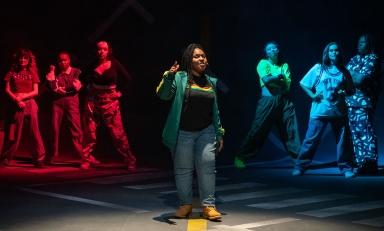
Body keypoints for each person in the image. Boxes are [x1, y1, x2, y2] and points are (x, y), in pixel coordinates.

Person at [156, 43, 224, 220]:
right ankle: (185, 205)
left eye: (203, 56)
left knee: (208, 168)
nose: (201, 59)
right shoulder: (179, 78)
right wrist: (169, 76)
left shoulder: (211, 82)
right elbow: (163, 95)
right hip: (183, 132)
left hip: (206, 131)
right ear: (189, 60)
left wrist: (219, 133)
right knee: (183, 169)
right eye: (196, 56)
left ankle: (209, 206)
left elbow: (215, 111)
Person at [293, 42, 356, 178]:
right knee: (310, 140)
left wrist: (344, 92)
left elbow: (351, 89)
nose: (334, 52)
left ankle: (346, 168)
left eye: (336, 50)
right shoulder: (318, 68)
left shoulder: (344, 71)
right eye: (331, 50)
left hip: (339, 111)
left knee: (343, 142)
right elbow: (303, 83)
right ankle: (300, 167)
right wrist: (313, 95)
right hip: (320, 111)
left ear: (340, 53)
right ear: (327, 53)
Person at [234, 41, 301, 169]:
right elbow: (266, 80)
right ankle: (240, 156)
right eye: (269, 48)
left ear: (278, 50)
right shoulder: (263, 63)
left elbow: (286, 86)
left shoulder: (284, 65)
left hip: (285, 101)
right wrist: (278, 78)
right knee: (258, 129)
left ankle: (298, 159)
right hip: (268, 101)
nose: (273, 49)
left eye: (275, 47)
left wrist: (274, 79)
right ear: (266, 52)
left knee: (290, 129)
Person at [79, 41, 136, 171]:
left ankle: (130, 159)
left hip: (110, 102)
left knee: (118, 133)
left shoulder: (115, 64)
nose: (101, 52)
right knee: (89, 131)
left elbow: (128, 79)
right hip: (93, 101)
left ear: (108, 50)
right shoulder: (93, 65)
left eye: (104, 49)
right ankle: (86, 159)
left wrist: (119, 93)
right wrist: (89, 87)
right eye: (99, 49)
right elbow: (81, 76)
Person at [44, 52, 99, 165]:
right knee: (53, 129)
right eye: (60, 60)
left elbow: (75, 88)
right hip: (57, 102)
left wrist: (61, 90)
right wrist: (52, 73)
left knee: (76, 129)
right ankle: (50, 155)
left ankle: (85, 155)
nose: (62, 62)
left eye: (65, 60)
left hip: (72, 102)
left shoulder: (76, 71)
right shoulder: (56, 73)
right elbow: (51, 87)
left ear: (69, 60)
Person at [0, 49, 46, 168]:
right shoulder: (11, 72)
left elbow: (35, 91)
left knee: (34, 132)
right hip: (15, 104)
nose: (23, 60)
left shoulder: (33, 73)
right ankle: (5, 159)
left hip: (29, 104)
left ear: (29, 60)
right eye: (21, 58)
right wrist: (17, 100)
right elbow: (7, 89)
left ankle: (39, 159)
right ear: (17, 59)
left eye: (25, 58)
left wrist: (23, 97)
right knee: (12, 133)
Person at [345, 34, 381, 174]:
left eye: (363, 42)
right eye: (358, 42)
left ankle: (370, 163)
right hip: (350, 101)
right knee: (354, 133)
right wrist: (352, 74)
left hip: (364, 103)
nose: (359, 44)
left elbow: (360, 79)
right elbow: (343, 76)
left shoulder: (373, 59)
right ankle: (361, 163)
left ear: (370, 44)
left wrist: (352, 74)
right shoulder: (354, 59)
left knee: (364, 132)